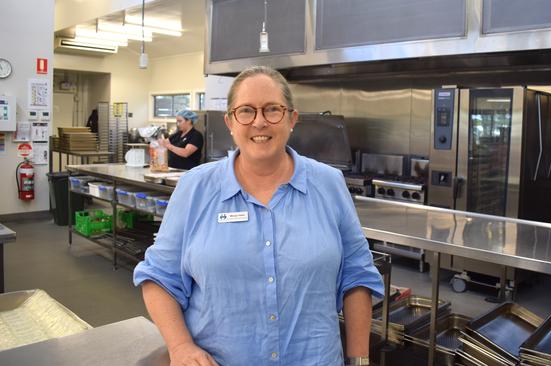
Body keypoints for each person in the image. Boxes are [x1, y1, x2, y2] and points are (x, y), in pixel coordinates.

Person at [133, 66, 384, 366]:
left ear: (292, 118)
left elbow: (357, 276)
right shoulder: (195, 188)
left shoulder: (328, 184)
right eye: (246, 111)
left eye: (272, 110)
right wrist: (180, 347)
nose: (260, 122)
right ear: (230, 121)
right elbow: (159, 279)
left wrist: (359, 361)